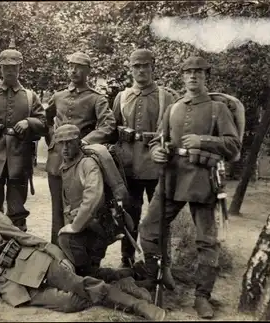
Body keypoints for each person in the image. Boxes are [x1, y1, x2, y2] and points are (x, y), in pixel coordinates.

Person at [137, 56, 241, 318]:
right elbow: (158, 139)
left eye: (199, 72)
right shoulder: (173, 107)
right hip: (171, 177)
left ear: (206, 77)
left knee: (206, 240)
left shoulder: (218, 109)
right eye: (188, 73)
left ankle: (202, 296)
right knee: (149, 228)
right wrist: (156, 151)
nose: (193, 77)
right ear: (182, 77)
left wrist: (203, 140)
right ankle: (155, 280)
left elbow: (233, 146)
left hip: (202, 179)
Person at [0, 206, 166, 320]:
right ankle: (117, 285)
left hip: (35, 263)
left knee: (83, 286)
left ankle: (139, 306)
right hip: (15, 289)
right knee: (69, 303)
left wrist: (58, 255)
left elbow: (27, 238)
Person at [112, 49, 177, 289]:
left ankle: (160, 266)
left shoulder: (166, 97)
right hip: (128, 166)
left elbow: (175, 131)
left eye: (145, 66)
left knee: (159, 219)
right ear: (130, 68)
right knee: (129, 216)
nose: (141, 70)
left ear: (153, 67)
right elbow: (113, 128)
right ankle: (127, 261)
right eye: (136, 66)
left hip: (157, 165)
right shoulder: (122, 97)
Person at [45, 51, 116, 245]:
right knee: (57, 211)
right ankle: (56, 255)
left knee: (78, 209)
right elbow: (46, 119)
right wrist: (52, 138)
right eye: (71, 66)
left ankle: (79, 257)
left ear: (88, 71)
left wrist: (85, 142)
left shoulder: (96, 99)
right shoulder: (58, 96)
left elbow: (108, 125)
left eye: (79, 67)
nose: (73, 70)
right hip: (56, 161)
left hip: (79, 162)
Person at [53, 124, 133, 283]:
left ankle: (119, 275)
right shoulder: (67, 164)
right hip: (88, 225)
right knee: (82, 268)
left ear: (78, 142)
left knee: (66, 239)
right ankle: (99, 273)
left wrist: (75, 226)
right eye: (61, 143)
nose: (65, 147)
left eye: (69, 142)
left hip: (99, 226)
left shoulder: (87, 164)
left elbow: (94, 197)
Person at [0, 39, 46, 232]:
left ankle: (18, 249)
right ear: (0, 69)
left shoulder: (30, 96)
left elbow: (43, 124)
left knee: (17, 209)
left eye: (13, 67)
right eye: (5, 67)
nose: (9, 71)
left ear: (20, 68)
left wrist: (29, 122)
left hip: (20, 158)